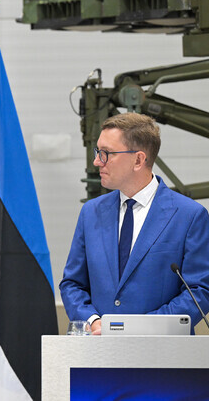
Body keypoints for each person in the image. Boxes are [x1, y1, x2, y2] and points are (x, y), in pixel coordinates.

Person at [60, 113, 209, 335]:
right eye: (97, 152)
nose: (97, 161)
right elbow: (72, 284)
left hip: (163, 351)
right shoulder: (91, 212)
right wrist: (92, 320)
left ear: (138, 160)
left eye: (106, 153)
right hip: (99, 349)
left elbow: (199, 291)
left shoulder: (190, 215)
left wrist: (139, 329)